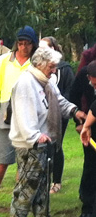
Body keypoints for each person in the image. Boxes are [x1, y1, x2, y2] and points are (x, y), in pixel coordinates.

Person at [8, 45, 84, 217]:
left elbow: (59, 101)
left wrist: (74, 111)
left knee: (42, 184)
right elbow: (24, 115)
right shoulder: (26, 82)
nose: (54, 71)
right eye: (51, 66)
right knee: (28, 184)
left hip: (45, 141)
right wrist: (35, 136)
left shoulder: (45, 82)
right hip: (30, 143)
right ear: (40, 64)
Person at [0, 25, 38, 215]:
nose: (23, 47)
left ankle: (19, 199)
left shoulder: (36, 62)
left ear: (33, 44)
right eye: (20, 43)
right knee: (1, 159)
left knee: (24, 160)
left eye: (27, 44)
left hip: (29, 114)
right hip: (7, 113)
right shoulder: (5, 61)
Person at [39, 36, 74, 193]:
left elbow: (69, 91)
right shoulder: (37, 68)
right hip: (41, 113)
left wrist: (61, 109)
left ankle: (56, 181)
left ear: (53, 48)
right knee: (42, 145)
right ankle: (41, 178)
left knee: (56, 145)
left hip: (59, 113)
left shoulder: (64, 68)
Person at [69, 59, 96, 217]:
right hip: (92, 127)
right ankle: (87, 209)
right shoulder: (86, 72)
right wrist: (80, 123)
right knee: (90, 167)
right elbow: (74, 96)